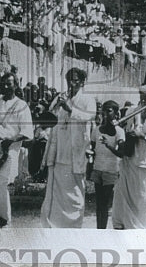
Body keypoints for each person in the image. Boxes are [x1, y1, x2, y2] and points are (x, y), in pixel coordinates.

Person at [40, 67, 93, 227]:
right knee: (56, 193)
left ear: (83, 82)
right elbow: (49, 119)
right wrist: (56, 104)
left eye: (76, 80)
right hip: (58, 153)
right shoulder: (61, 97)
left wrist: (70, 109)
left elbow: (89, 116)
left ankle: (73, 225)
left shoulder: (87, 100)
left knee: (75, 194)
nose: (72, 83)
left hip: (75, 153)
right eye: (69, 80)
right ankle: (55, 225)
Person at [0, 73, 33, 229]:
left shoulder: (21, 106)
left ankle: (3, 219)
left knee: (2, 181)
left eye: (9, 84)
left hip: (11, 150)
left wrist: (10, 141)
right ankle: (1, 218)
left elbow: (27, 132)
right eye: (2, 83)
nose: (5, 86)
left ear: (16, 86)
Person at [111, 85, 146, 229]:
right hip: (129, 158)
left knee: (142, 196)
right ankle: (121, 224)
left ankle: (139, 227)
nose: (145, 100)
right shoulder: (132, 111)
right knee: (123, 193)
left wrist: (142, 136)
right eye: (142, 97)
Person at [90, 100, 125, 229]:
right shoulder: (97, 130)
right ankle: (99, 231)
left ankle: (102, 232)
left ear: (116, 113)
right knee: (99, 203)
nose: (105, 114)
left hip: (110, 170)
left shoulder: (119, 131)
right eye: (103, 110)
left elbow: (121, 153)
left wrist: (109, 146)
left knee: (104, 203)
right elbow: (93, 148)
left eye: (109, 111)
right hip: (97, 169)